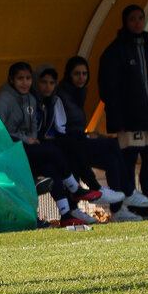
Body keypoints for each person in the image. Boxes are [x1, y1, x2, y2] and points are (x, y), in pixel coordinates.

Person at [0, 62, 99, 227]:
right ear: (11, 80)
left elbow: (32, 125)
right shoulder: (3, 100)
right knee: (52, 150)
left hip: (23, 150)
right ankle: (75, 188)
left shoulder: (30, 99)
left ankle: (66, 214)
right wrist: (27, 140)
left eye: (27, 78)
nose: (25, 82)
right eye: (20, 79)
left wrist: (32, 138)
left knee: (50, 167)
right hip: (7, 152)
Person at [57, 56, 148, 221]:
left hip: (78, 142)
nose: (81, 78)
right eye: (77, 74)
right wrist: (88, 136)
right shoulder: (63, 95)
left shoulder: (78, 94)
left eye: (84, 74)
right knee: (111, 145)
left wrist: (90, 136)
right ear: (68, 75)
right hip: (70, 145)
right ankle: (127, 192)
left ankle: (117, 211)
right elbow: (65, 128)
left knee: (111, 158)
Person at [33, 65, 131, 218]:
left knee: (102, 152)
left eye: (51, 83)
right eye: (44, 82)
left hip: (66, 141)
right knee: (73, 150)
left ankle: (112, 204)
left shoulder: (58, 99)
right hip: (44, 145)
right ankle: (94, 192)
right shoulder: (39, 100)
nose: (48, 87)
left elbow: (62, 127)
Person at [98, 5, 148, 210]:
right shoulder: (115, 50)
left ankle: (146, 202)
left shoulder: (146, 48)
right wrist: (117, 120)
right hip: (129, 119)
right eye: (132, 19)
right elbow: (109, 89)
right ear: (125, 22)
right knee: (128, 160)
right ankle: (126, 206)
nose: (137, 23)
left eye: (140, 18)